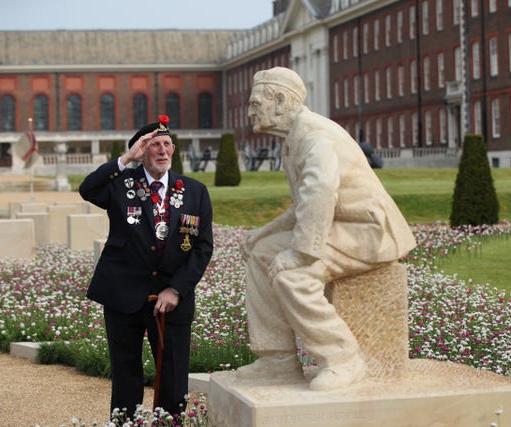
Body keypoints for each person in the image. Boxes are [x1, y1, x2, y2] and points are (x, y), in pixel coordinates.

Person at [237, 67, 416, 391]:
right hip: (340, 224)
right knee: (262, 253)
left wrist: (301, 253)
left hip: (367, 230)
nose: (250, 111)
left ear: (279, 101)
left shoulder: (315, 137)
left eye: (254, 103)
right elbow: (304, 204)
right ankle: (277, 360)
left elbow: (319, 193)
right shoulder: (296, 137)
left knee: (294, 276)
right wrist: (262, 234)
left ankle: (344, 359)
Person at [79, 115, 213, 416]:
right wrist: (126, 158)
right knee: (126, 373)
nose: (163, 151)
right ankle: (127, 424)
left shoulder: (194, 191)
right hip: (123, 294)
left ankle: (171, 424)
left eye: (167, 144)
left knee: (174, 375)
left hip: (172, 299)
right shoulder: (121, 184)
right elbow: (87, 189)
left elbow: (203, 247)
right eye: (154, 145)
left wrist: (176, 289)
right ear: (142, 151)